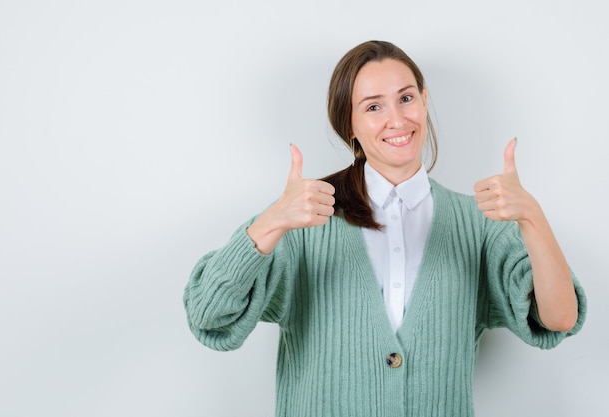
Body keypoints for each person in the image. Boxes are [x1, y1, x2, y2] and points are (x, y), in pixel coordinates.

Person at [183, 40, 586, 417]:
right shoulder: (302, 220)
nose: (397, 119)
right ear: (350, 125)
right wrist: (271, 222)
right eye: (373, 107)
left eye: (406, 98)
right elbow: (207, 314)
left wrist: (532, 217)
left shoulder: (477, 225)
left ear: (425, 102)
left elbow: (559, 318)